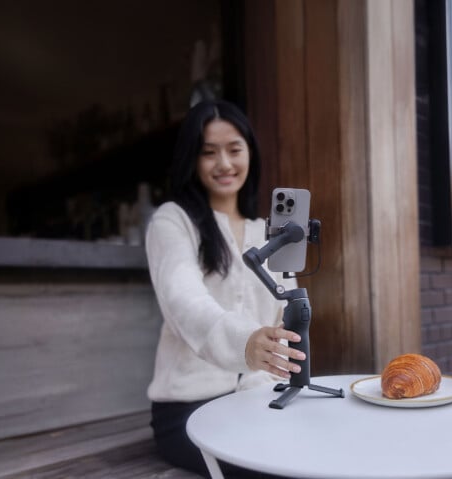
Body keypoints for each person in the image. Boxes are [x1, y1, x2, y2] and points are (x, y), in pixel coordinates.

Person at [145, 99, 304, 478]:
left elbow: (288, 315)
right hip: (190, 406)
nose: (224, 164)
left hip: (262, 396)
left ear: (250, 152)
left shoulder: (267, 230)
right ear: (192, 159)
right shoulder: (173, 221)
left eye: (235, 150)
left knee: (326, 448)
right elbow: (184, 300)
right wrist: (244, 343)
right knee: (276, 469)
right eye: (208, 153)